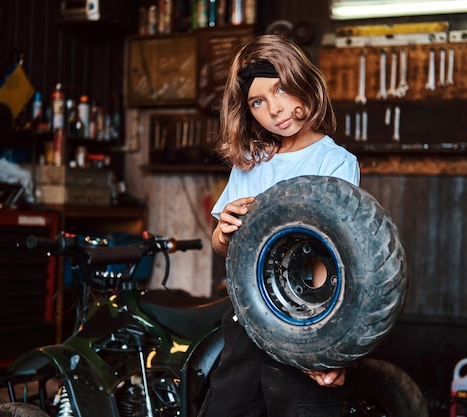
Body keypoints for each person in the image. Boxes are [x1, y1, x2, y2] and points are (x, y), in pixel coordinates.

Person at [199, 34, 361, 417]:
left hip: (303, 322)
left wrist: (324, 342)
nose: (274, 109)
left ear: (304, 82)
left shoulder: (335, 162)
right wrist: (223, 232)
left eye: (282, 89)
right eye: (258, 101)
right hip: (247, 321)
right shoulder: (250, 161)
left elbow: (331, 255)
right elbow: (224, 246)